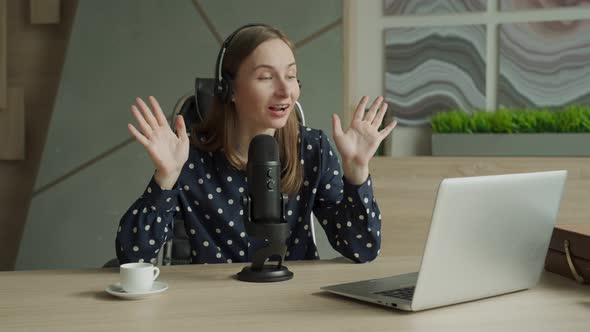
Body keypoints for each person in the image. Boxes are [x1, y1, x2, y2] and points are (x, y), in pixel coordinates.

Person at [115, 24, 397, 265]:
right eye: (266, 77)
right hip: (215, 307)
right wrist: (165, 179)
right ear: (230, 89)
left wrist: (357, 173)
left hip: (295, 304)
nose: (286, 90)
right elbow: (132, 257)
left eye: (290, 75)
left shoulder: (313, 150)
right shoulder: (190, 157)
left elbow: (362, 250)